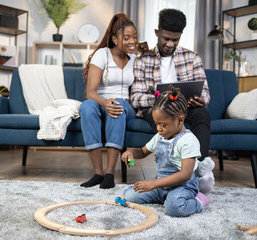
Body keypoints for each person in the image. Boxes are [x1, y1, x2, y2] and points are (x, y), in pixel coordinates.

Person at [130, 8, 215, 193]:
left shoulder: (192, 58)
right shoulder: (143, 60)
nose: (170, 44)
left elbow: (206, 92)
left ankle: (199, 168)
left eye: (175, 40)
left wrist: (201, 100)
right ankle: (175, 174)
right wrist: (161, 99)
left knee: (202, 113)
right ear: (156, 33)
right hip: (157, 108)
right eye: (165, 38)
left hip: (185, 107)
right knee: (162, 117)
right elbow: (136, 97)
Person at [122, 86, 210, 217]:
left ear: (180, 120)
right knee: (129, 195)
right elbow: (142, 152)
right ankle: (165, 197)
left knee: (174, 208)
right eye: (157, 124)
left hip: (183, 186)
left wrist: (153, 183)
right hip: (161, 185)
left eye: (163, 125)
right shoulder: (160, 136)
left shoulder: (188, 140)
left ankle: (199, 200)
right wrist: (131, 153)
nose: (159, 129)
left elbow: (185, 175)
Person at [79, 13, 138, 189]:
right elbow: (90, 92)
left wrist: (111, 104)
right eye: (126, 38)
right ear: (114, 38)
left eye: (134, 37)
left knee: (117, 106)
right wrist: (105, 103)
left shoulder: (135, 59)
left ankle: (110, 173)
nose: (132, 41)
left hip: (124, 106)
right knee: (86, 107)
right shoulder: (102, 55)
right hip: (100, 101)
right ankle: (98, 173)